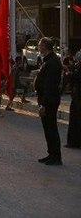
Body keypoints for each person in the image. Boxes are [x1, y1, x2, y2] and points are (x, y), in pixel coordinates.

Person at [34, 37, 63, 165]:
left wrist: (44, 105)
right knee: (47, 128)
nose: (38, 47)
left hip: (49, 101)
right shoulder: (47, 60)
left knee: (51, 128)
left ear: (45, 46)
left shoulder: (52, 62)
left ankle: (56, 157)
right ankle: (51, 153)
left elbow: (49, 86)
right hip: (45, 99)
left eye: (40, 45)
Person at [66, 51, 81, 148]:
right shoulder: (77, 66)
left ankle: (76, 141)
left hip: (78, 96)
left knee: (77, 119)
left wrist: (70, 74)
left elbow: (77, 77)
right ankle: (73, 141)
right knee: (74, 118)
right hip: (76, 95)